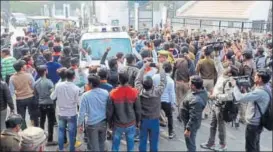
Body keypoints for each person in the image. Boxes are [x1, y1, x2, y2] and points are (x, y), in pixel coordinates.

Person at [200, 55, 239, 151]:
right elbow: (218, 64)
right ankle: (210, 143)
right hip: (215, 105)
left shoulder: (229, 82)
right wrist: (215, 53)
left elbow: (229, 96)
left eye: (227, 68)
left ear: (230, 74)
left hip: (221, 107)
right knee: (213, 125)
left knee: (221, 127)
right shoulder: (223, 75)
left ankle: (223, 145)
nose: (225, 68)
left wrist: (216, 96)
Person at [232, 68, 271, 152]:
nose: (254, 77)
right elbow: (253, 97)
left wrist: (235, 86)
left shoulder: (260, 92)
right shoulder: (267, 88)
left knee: (250, 148)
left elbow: (239, 98)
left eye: (256, 76)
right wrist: (245, 91)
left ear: (260, 79)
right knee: (255, 144)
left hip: (253, 124)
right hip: (259, 123)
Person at [135, 61, 167, 152]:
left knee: (142, 141)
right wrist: (161, 68)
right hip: (154, 120)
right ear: (152, 84)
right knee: (154, 142)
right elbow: (163, 81)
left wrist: (144, 67)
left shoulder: (139, 91)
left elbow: (137, 80)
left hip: (143, 120)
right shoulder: (157, 92)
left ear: (143, 85)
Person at [107, 70, 141, 151]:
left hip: (117, 123)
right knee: (131, 145)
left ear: (119, 79)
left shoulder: (113, 93)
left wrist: (109, 123)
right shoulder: (134, 92)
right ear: (128, 79)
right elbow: (138, 110)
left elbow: (109, 111)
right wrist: (138, 121)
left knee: (115, 146)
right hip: (131, 123)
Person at [51, 68, 80, 151]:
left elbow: (52, 97)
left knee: (61, 131)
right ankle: (72, 149)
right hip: (72, 113)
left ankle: (60, 149)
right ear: (74, 77)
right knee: (72, 133)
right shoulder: (76, 88)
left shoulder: (58, 85)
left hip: (61, 113)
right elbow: (78, 102)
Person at [78, 74, 109, 151]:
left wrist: (79, 125)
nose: (87, 84)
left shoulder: (85, 95)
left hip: (92, 124)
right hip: (104, 123)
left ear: (91, 84)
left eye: (88, 83)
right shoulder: (105, 93)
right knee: (101, 144)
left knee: (94, 147)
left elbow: (81, 113)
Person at [180, 75, 208, 152]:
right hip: (190, 121)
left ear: (193, 86)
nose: (188, 83)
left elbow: (194, 116)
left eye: (189, 82)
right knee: (190, 141)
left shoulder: (196, 100)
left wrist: (188, 129)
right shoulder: (201, 91)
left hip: (191, 124)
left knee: (190, 142)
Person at [9, 60, 38, 129]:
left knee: (21, 116)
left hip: (20, 99)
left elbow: (11, 91)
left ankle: (24, 130)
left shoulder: (12, 78)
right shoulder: (28, 75)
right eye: (24, 65)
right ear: (21, 68)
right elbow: (34, 86)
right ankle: (35, 128)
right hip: (30, 97)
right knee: (33, 114)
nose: (25, 66)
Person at [34, 65, 58, 146]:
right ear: (45, 71)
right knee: (50, 122)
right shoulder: (49, 82)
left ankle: (41, 138)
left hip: (40, 104)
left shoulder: (36, 82)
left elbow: (35, 94)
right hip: (49, 103)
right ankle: (50, 140)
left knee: (42, 121)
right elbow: (53, 93)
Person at [153, 62, 176, 139]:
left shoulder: (155, 77)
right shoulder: (170, 81)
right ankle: (170, 132)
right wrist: (173, 104)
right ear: (170, 71)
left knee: (154, 116)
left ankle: (154, 132)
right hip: (166, 101)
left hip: (156, 100)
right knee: (169, 116)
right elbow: (172, 94)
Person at [196, 46, 217, 119]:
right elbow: (215, 72)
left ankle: (202, 113)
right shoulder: (213, 61)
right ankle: (207, 112)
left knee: (201, 97)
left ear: (204, 53)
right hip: (211, 81)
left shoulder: (201, 61)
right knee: (209, 97)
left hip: (203, 80)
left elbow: (196, 72)